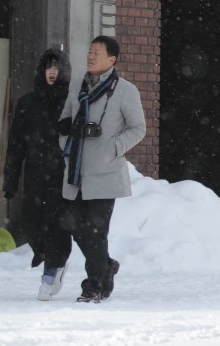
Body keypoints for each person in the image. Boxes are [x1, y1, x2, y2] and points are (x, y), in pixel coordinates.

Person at [38, 36, 145, 304]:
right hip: (75, 170)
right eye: (89, 51)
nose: (90, 56)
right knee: (74, 226)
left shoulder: (125, 90)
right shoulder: (78, 86)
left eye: (96, 52)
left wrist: (113, 148)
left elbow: (138, 129)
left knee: (95, 231)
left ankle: (94, 286)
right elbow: (65, 120)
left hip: (106, 174)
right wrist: (66, 145)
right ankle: (106, 267)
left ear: (112, 59)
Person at [2, 48, 70, 273]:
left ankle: (53, 269)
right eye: (49, 67)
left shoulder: (71, 101)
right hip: (34, 173)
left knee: (55, 225)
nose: (53, 72)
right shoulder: (27, 103)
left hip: (62, 173)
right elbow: (16, 145)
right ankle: (42, 252)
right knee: (31, 223)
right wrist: (10, 179)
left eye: (57, 68)